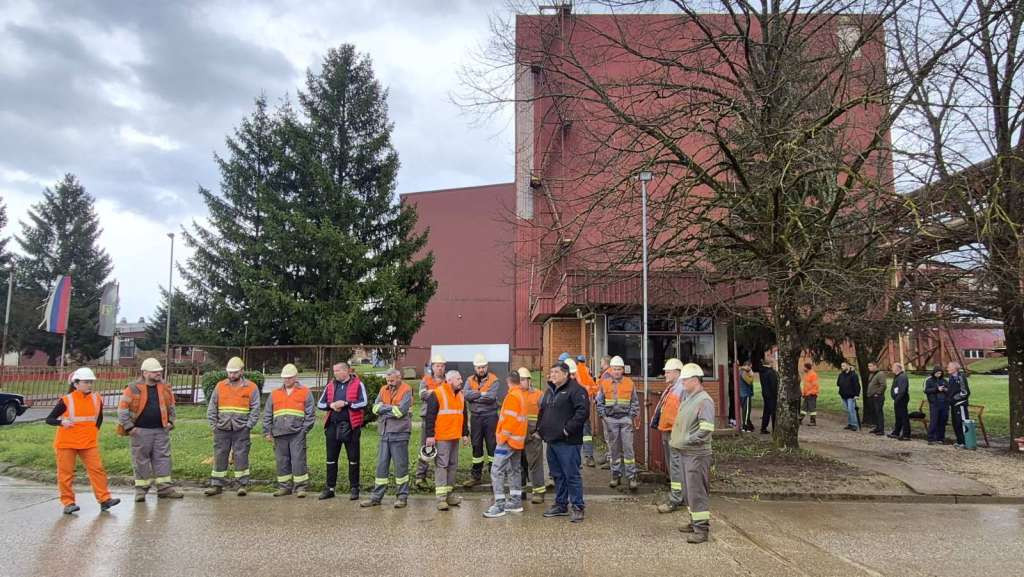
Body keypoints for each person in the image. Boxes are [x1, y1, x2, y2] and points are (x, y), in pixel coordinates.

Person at [46, 368, 120, 514]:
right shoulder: (67, 400)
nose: (89, 385)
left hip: (88, 443)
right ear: (76, 384)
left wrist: (93, 432)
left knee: (97, 470)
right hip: (67, 443)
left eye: (91, 382)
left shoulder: (97, 398)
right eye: (86, 382)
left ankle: (105, 500)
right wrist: (61, 423)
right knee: (66, 473)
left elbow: (98, 419)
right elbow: (49, 419)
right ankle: (68, 503)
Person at [117, 357, 183, 501]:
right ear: (145, 373)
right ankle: (141, 490)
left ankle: (165, 489)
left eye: (159, 371)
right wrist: (129, 427)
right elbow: (122, 410)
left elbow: (171, 406)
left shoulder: (165, 387)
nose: (158, 374)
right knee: (141, 460)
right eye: (154, 372)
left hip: (161, 430)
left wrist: (171, 421)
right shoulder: (133, 388)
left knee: (163, 459)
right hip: (140, 431)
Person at [668, 363, 715, 544]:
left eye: (685, 380)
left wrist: (688, 439)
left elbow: (706, 429)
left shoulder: (704, 401)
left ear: (695, 380)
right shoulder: (689, 398)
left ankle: (701, 529)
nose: (683, 383)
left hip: (696, 454)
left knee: (696, 492)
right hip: (687, 452)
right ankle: (694, 521)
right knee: (689, 491)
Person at [537, 361, 589, 522]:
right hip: (551, 441)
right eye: (551, 372)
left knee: (571, 475)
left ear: (565, 374)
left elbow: (582, 412)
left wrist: (567, 430)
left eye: (556, 372)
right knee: (557, 475)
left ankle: (578, 507)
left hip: (568, 442)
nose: (552, 375)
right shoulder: (549, 391)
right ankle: (561, 505)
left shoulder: (576, 390)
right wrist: (540, 430)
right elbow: (543, 412)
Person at [205, 356, 260, 496]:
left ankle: (242, 485)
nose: (231, 375)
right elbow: (212, 406)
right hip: (222, 428)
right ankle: (217, 485)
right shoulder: (220, 386)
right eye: (229, 372)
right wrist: (213, 425)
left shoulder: (251, 387)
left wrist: (249, 426)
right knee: (219, 455)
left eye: (234, 372)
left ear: (241, 371)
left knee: (241, 456)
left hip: (241, 428)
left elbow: (255, 409)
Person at [262, 363, 315, 497]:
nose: (287, 380)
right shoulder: (274, 393)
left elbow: (310, 414)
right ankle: (284, 487)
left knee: (298, 460)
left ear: (296, 377)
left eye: (290, 378)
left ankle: (300, 487)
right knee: (282, 461)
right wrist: (267, 431)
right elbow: (268, 414)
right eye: (285, 378)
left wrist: (304, 430)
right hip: (279, 433)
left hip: (297, 433)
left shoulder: (305, 392)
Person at [317, 362, 368, 500]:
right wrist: (332, 405)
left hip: (351, 427)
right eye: (334, 370)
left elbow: (364, 402)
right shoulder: (330, 385)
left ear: (346, 371)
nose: (335, 373)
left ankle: (354, 488)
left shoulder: (358, 384)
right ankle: (330, 488)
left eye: (338, 370)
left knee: (353, 459)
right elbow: (320, 404)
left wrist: (346, 403)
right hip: (332, 426)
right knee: (331, 459)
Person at [363, 369, 413, 508]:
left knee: (401, 467)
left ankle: (402, 497)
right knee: (381, 467)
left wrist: (383, 409)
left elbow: (400, 412)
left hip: (400, 433)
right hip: (384, 432)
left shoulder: (406, 390)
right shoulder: (383, 389)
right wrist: (389, 408)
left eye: (392, 380)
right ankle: (376, 497)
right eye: (387, 380)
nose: (389, 382)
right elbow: (374, 408)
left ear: (399, 377)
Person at [484, 371, 530, 517]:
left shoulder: (512, 396)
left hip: (508, 441)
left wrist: (502, 438)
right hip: (517, 441)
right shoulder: (521, 395)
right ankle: (515, 502)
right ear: (519, 381)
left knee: (496, 471)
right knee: (514, 470)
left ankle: (499, 505)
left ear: (508, 381)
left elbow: (509, 421)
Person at [424, 370, 470, 511]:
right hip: (442, 437)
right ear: (449, 380)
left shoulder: (460, 396)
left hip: (454, 436)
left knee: (452, 465)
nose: (461, 381)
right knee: (442, 466)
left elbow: (463, 416)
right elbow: (430, 416)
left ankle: (449, 495)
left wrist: (465, 434)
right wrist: (430, 435)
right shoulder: (437, 393)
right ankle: (441, 499)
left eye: (461, 379)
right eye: (458, 379)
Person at [463, 354, 507, 488]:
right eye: (478, 367)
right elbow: (465, 394)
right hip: (476, 416)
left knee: (492, 445)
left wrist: (475, 396)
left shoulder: (494, 379)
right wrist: (482, 394)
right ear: (475, 367)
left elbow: (491, 397)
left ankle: (495, 476)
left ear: (486, 366)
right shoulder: (469, 380)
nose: (481, 369)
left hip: (490, 416)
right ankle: (476, 476)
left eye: (483, 367)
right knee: (476, 445)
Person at [596, 355, 640, 490]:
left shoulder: (629, 383)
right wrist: (604, 417)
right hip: (611, 420)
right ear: (611, 370)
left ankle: (632, 477)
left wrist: (630, 416)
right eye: (614, 369)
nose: (616, 371)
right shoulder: (605, 383)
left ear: (623, 370)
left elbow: (635, 402)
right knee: (614, 450)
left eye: (619, 369)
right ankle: (615, 476)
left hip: (625, 419)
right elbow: (599, 402)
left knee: (628, 450)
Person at [652, 358, 686, 514]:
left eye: (668, 371)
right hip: (668, 431)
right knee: (673, 466)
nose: (665, 373)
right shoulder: (672, 388)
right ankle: (677, 494)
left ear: (677, 372)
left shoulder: (681, 389)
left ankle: (677, 498)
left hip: (675, 433)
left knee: (676, 466)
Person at [414, 354, 446, 489]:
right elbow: (422, 395)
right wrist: (439, 394)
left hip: (443, 419)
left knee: (443, 449)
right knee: (426, 447)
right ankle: (420, 476)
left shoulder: (447, 381)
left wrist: (432, 393)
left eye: (442, 366)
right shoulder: (426, 379)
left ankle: (441, 477)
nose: (440, 368)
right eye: (437, 366)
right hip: (427, 417)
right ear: (432, 367)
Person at [518, 367, 547, 504]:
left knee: (535, 465)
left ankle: (538, 492)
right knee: (519, 465)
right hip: (518, 437)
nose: (520, 382)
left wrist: (539, 432)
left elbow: (546, 415)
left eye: (523, 380)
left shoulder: (539, 395)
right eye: (518, 380)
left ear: (529, 380)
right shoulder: (514, 394)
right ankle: (520, 491)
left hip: (533, 436)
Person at [575, 354, 599, 467]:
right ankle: (589, 457)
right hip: (585, 407)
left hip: (575, 408)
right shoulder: (587, 372)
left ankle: (576, 460)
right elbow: (594, 387)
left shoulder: (574, 372)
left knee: (576, 434)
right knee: (586, 433)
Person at [946, 361, 971, 448]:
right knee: (955, 423)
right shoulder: (951, 378)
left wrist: (954, 398)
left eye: (949, 367)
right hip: (953, 405)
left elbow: (965, 392)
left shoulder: (960, 377)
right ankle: (959, 441)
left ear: (955, 368)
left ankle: (965, 442)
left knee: (962, 422)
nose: (947, 368)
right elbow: (952, 390)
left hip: (960, 405)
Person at [924, 366, 949, 445]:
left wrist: (945, 389)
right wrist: (936, 389)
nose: (939, 374)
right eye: (937, 373)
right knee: (934, 421)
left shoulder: (944, 380)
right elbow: (926, 390)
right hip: (934, 403)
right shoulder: (929, 380)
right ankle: (931, 438)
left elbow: (949, 390)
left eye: (940, 373)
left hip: (944, 403)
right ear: (934, 373)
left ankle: (940, 438)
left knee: (942, 421)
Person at [888, 362, 911, 440]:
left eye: (893, 367)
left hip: (901, 399)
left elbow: (902, 390)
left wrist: (897, 399)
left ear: (898, 368)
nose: (892, 369)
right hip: (898, 399)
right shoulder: (897, 376)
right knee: (898, 416)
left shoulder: (902, 377)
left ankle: (906, 434)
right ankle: (896, 432)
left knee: (903, 417)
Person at [837, 362, 861, 431]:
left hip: (851, 396)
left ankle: (854, 424)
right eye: (841, 366)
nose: (842, 367)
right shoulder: (841, 375)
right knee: (847, 410)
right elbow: (838, 383)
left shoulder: (853, 375)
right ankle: (850, 423)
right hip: (843, 395)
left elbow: (857, 385)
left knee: (851, 410)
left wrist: (857, 395)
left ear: (848, 366)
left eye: (844, 366)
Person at [865, 362, 887, 436]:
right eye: (868, 366)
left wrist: (878, 393)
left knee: (879, 413)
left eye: (870, 366)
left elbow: (883, 385)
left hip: (878, 397)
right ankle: (877, 427)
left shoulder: (880, 374)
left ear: (875, 366)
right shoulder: (871, 374)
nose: (869, 367)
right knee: (874, 413)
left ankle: (881, 429)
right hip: (871, 397)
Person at [758, 358, 779, 435]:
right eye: (773, 362)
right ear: (770, 363)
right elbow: (773, 385)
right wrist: (776, 394)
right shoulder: (771, 372)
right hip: (772, 395)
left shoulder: (762, 372)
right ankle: (775, 429)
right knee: (774, 412)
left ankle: (763, 428)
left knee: (766, 411)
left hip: (765, 393)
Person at [738, 360, 755, 432]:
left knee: (745, 410)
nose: (750, 369)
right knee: (747, 411)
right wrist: (752, 374)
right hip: (745, 394)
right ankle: (745, 427)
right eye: (750, 367)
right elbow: (749, 381)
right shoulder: (744, 372)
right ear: (747, 366)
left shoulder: (741, 371)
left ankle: (748, 424)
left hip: (742, 393)